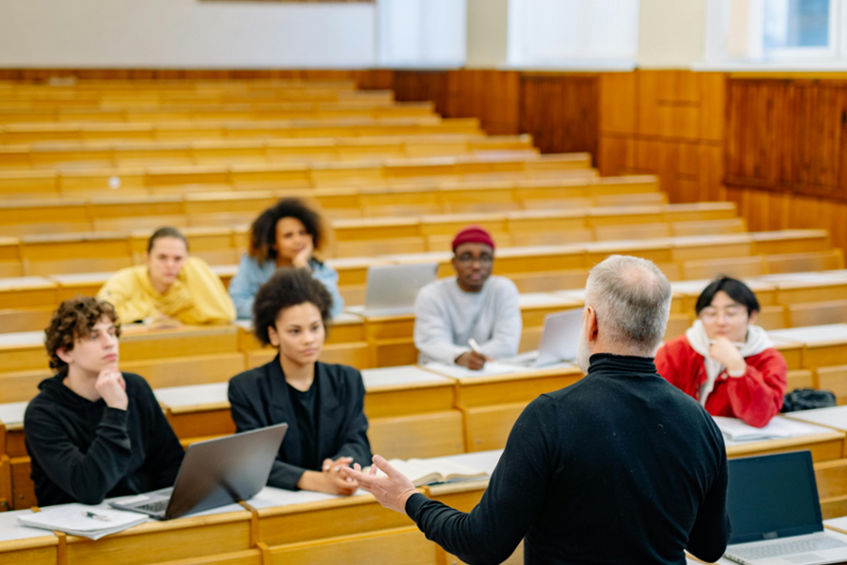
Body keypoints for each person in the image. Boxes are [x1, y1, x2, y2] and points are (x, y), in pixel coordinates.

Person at [344, 255, 729, 565]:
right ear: (659, 327)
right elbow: (710, 547)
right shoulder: (699, 421)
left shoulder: (552, 416)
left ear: (590, 321)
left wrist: (407, 498)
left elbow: (482, 546)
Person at [24, 296, 185, 506]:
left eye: (111, 333)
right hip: (75, 528)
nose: (110, 343)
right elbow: (89, 488)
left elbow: (171, 464)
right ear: (65, 352)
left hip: (138, 517)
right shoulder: (42, 413)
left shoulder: (136, 388)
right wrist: (116, 409)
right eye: (94, 336)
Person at [227, 268, 370, 495]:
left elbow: (359, 442)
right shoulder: (246, 388)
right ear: (273, 335)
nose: (309, 340)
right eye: (295, 331)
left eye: (315, 328)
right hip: (280, 500)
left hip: (338, 495)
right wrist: (317, 481)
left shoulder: (347, 380)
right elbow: (255, 462)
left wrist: (339, 467)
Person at [655, 275, 787, 428]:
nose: (721, 322)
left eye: (730, 314)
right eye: (711, 314)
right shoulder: (675, 351)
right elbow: (656, 402)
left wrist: (738, 369)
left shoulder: (768, 359)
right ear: (700, 317)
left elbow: (760, 417)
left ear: (752, 316)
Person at [413, 225, 521, 369]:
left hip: (490, 369)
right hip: (442, 371)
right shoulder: (431, 294)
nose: (476, 265)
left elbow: (507, 342)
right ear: (454, 262)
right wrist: (461, 357)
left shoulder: (503, 289)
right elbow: (432, 342)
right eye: (466, 258)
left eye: (484, 258)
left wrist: (475, 358)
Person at [228, 197, 343, 320]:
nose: (298, 240)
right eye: (288, 236)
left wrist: (302, 267)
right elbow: (236, 304)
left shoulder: (318, 268)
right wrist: (285, 308)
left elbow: (333, 308)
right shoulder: (253, 263)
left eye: (302, 233)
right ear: (274, 243)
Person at [97, 226, 235, 327]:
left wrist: (194, 265)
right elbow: (100, 316)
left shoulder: (185, 290)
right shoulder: (125, 280)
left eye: (178, 259)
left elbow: (224, 316)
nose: (170, 265)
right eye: (162, 257)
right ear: (147, 258)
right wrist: (152, 314)